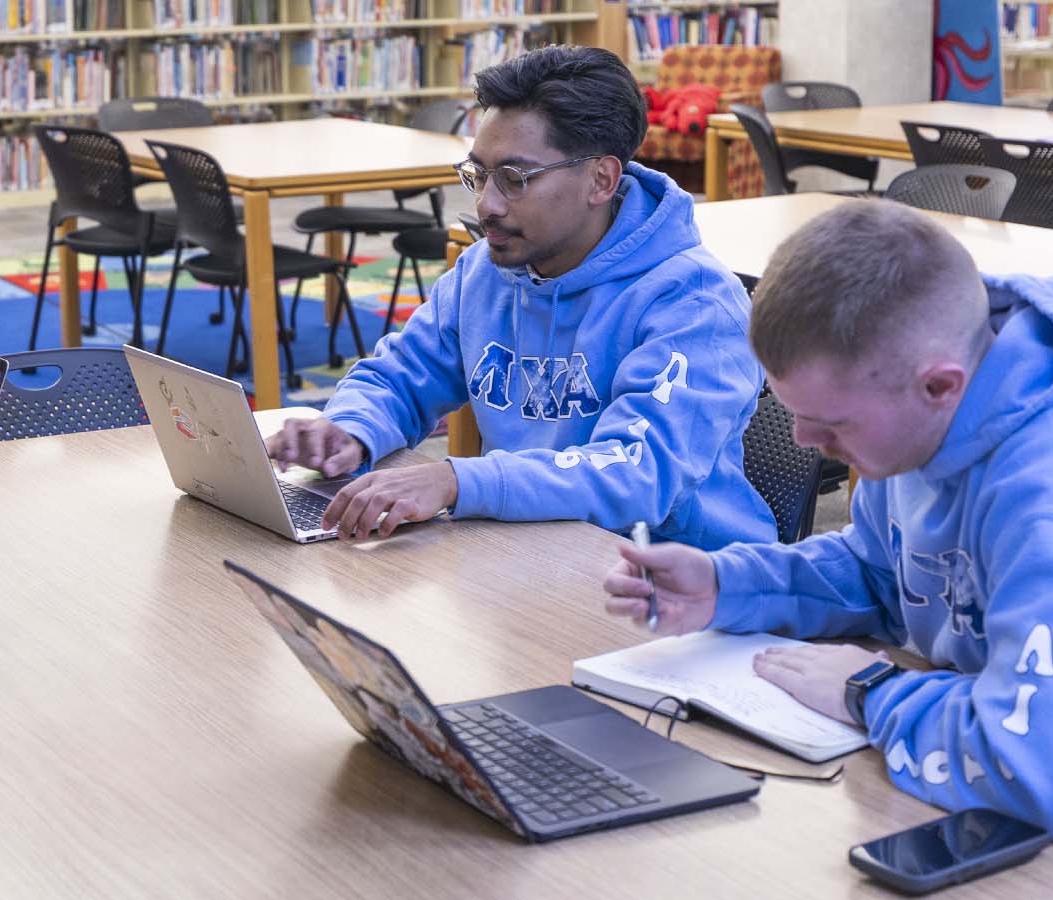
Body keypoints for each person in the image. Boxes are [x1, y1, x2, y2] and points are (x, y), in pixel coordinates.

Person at [601, 200, 1053, 841]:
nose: (801, 444)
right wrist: (728, 585)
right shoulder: (925, 427)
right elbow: (881, 573)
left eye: (828, 423)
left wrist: (871, 693)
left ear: (938, 385)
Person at [264, 45, 773, 549]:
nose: (486, 204)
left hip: (684, 581)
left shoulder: (696, 303)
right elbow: (401, 376)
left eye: (514, 179)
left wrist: (459, 481)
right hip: (533, 555)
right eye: (479, 174)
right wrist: (349, 431)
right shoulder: (486, 269)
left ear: (601, 179)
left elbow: (638, 474)